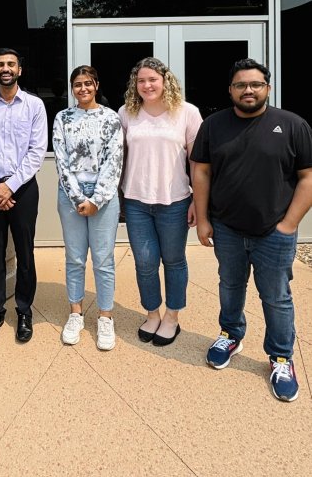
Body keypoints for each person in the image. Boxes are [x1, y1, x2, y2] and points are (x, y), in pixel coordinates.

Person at [191, 58, 312, 402]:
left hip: (273, 232)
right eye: (241, 85)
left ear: (267, 88)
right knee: (230, 285)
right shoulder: (214, 126)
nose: (248, 90)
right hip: (227, 229)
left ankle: (280, 357)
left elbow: (308, 177)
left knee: (276, 297)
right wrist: (203, 219)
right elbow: (201, 173)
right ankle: (231, 334)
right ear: (230, 90)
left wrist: (288, 225)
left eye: (255, 84)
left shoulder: (292, 125)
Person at [119, 57, 202, 346]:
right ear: (135, 84)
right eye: (141, 80)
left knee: (174, 261)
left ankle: (172, 317)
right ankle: (152, 313)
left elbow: (197, 162)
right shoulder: (126, 113)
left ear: (165, 80)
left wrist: (197, 201)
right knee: (144, 263)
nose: (147, 85)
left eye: (152, 79)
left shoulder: (187, 113)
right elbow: (120, 159)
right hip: (136, 202)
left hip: (175, 201)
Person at [0, 47, 47, 343]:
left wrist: (10, 186)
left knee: (26, 252)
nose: (6, 68)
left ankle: (24, 311)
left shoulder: (34, 105)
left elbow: (37, 151)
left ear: (19, 70)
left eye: (11, 64)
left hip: (23, 188)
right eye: (0, 64)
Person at [53, 65, 123, 351]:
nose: (82, 89)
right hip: (71, 198)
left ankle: (105, 317)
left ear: (96, 85)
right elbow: (61, 159)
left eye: (87, 83)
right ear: (72, 88)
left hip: (103, 200)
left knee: (104, 260)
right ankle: (76, 313)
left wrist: (96, 200)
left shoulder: (111, 118)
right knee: (75, 258)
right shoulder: (63, 118)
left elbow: (114, 159)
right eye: (77, 84)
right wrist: (78, 196)